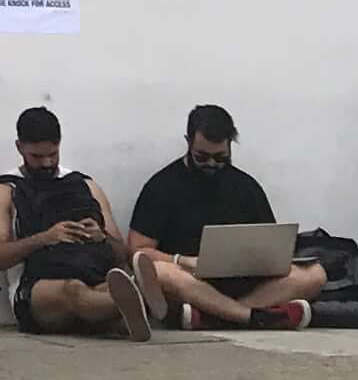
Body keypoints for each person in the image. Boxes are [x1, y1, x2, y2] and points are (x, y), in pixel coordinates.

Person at [127, 107, 329, 330]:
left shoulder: (246, 187)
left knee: (315, 275)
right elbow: (138, 251)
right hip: (190, 282)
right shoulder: (162, 186)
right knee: (159, 272)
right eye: (202, 157)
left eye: (220, 157)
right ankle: (250, 316)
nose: (212, 164)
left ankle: (217, 317)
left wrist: (267, 261)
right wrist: (184, 261)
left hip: (246, 282)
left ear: (231, 145)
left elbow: (271, 243)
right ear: (188, 142)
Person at [0, 106, 152, 341]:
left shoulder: (85, 185)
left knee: (99, 291)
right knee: (73, 290)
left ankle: (123, 307)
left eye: (53, 154)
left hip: (92, 277)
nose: (47, 163)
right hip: (37, 289)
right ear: (19, 148)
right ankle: (137, 303)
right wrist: (44, 238)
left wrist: (101, 237)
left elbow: (121, 253)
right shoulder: (5, 190)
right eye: (36, 157)